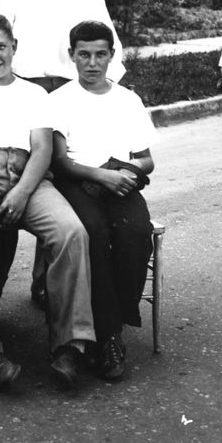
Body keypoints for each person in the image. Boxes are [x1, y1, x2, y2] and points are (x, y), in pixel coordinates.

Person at [0, 13, 95, 391]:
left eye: (0, 47)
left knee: (70, 232)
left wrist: (23, 191)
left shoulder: (34, 94)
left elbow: (43, 149)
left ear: (14, 47)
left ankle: (70, 344)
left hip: (27, 178)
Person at [0, 0, 125, 308]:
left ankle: (46, 282)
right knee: (16, 184)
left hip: (70, 97)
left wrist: (104, 104)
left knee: (61, 191)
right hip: (25, 96)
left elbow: (111, 56)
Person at [49, 20, 156, 381]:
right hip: (80, 181)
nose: (92, 63)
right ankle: (108, 338)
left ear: (112, 56)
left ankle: (110, 326)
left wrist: (124, 169)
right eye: (84, 55)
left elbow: (146, 159)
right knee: (93, 233)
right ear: (72, 56)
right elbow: (60, 160)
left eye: (100, 55)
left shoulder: (127, 100)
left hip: (119, 180)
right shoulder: (60, 99)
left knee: (136, 233)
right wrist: (102, 175)